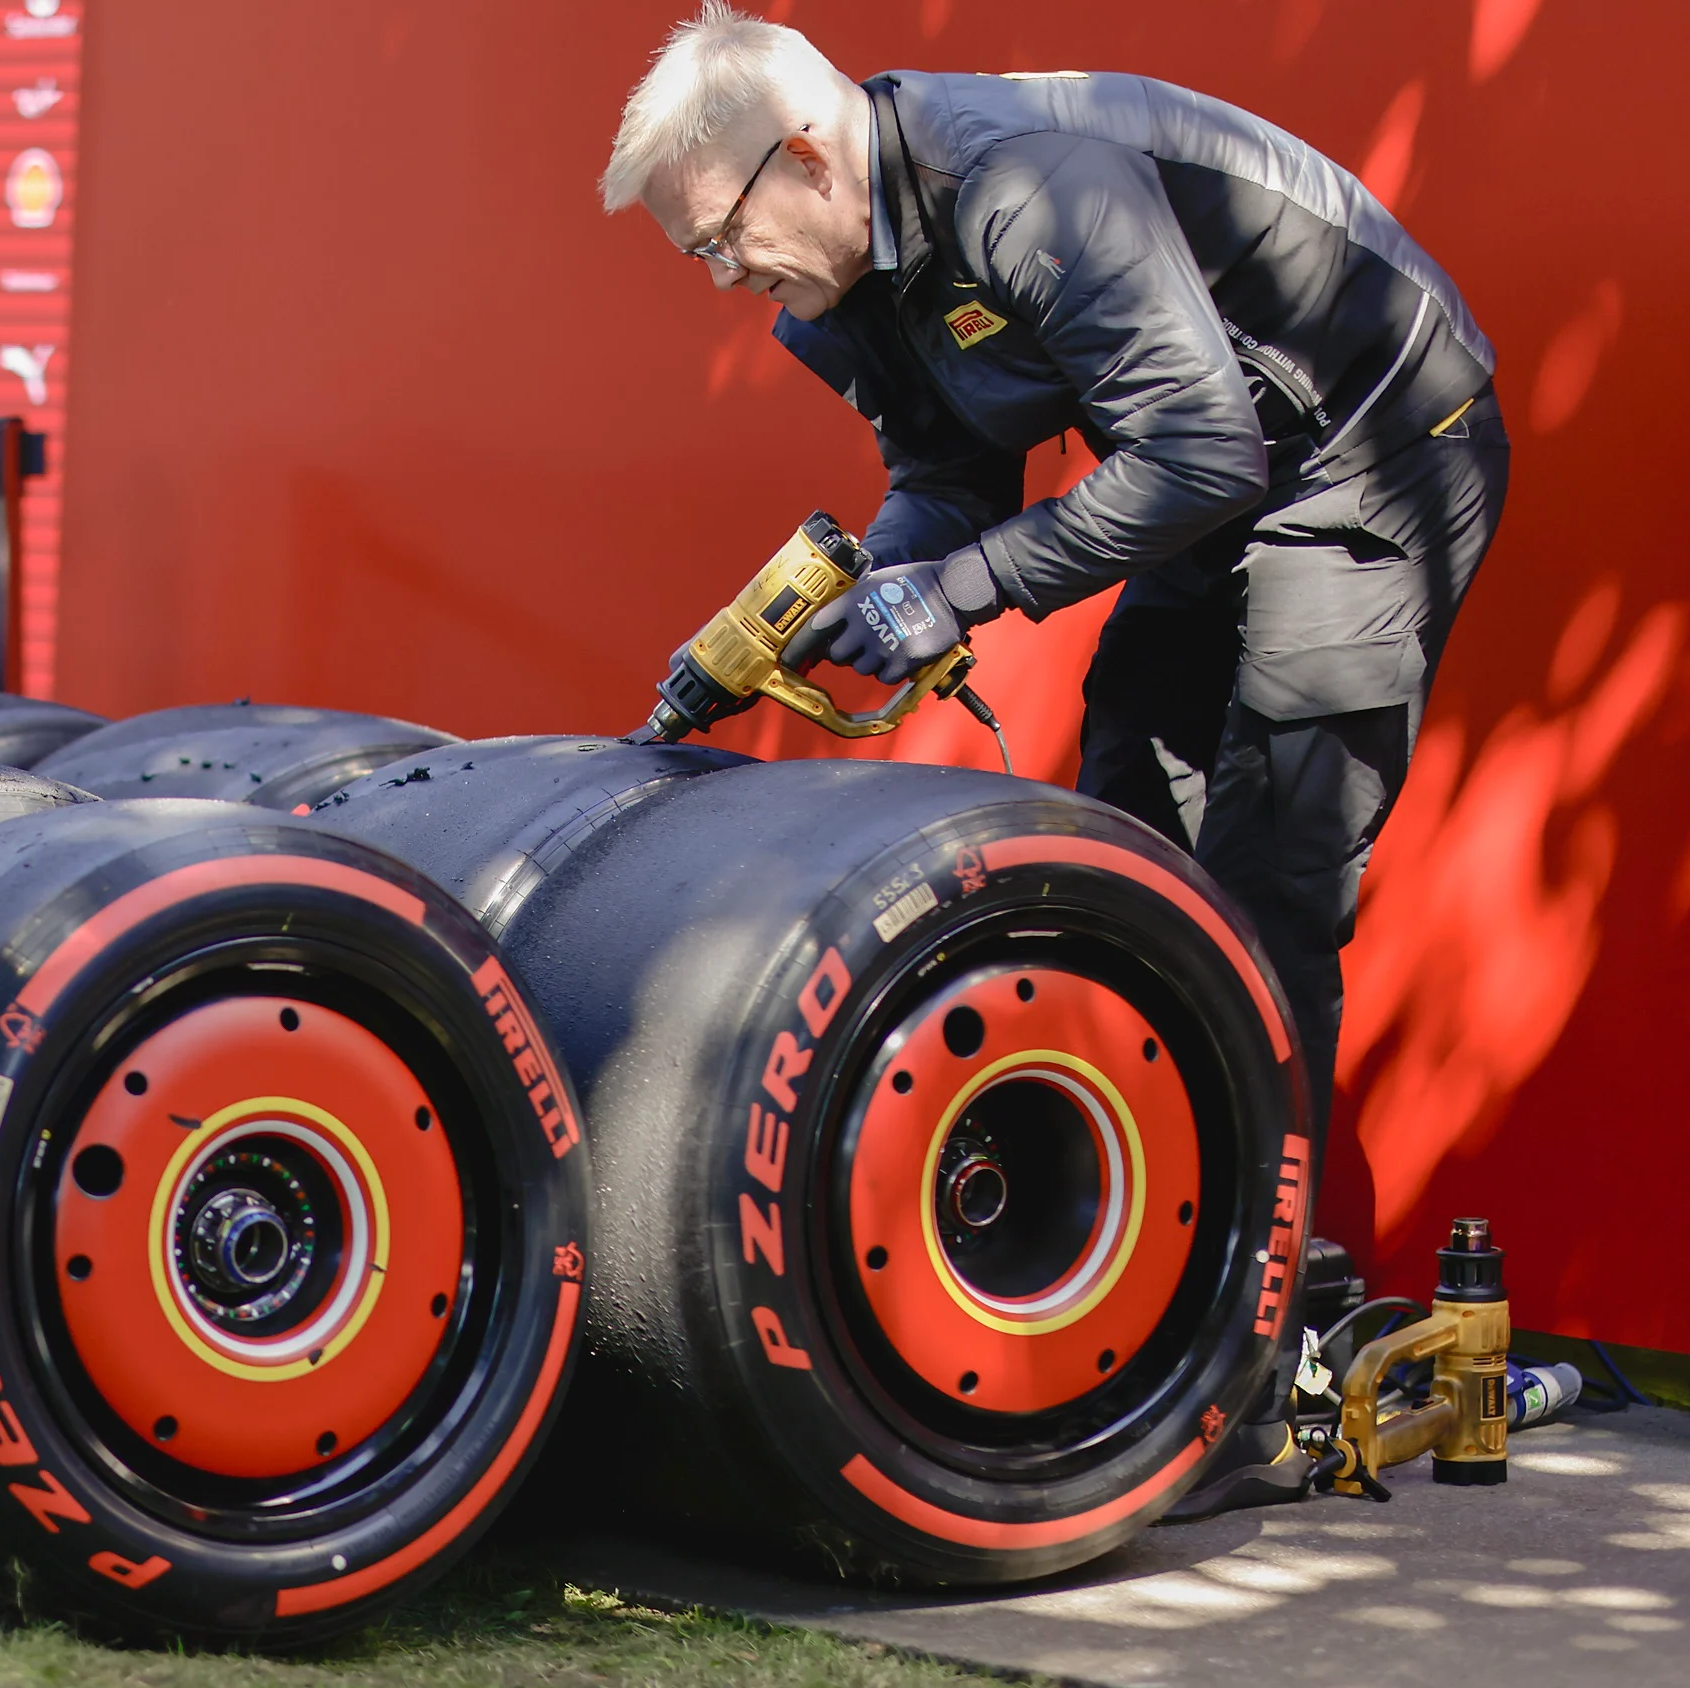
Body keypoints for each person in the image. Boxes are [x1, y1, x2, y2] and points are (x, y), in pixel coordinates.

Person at [602, 6, 1502, 1132]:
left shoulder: (1019, 190)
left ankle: (1265, 1235)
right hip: (1222, 464)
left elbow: (1202, 451)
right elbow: (951, 477)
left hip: (1368, 450)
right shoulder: (853, 263)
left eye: (722, 238)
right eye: (700, 254)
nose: (724, 278)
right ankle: (1142, 1178)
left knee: (1268, 882)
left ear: (807, 158)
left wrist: (957, 589)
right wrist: (876, 585)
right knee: (1131, 826)